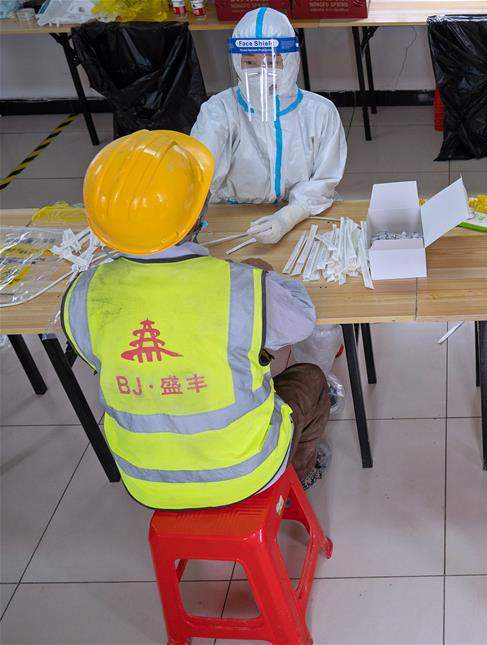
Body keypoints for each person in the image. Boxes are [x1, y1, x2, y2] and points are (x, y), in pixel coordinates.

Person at [61, 130, 332, 510]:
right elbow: (302, 321)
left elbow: (97, 358)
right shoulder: (238, 286)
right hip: (246, 470)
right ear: (197, 213)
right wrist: (260, 277)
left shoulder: (84, 293)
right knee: (311, 381)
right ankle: (295, 481)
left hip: (144, 481)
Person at [190, 7, 346, 245]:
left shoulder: (320, 112)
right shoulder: (218, 111)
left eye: (272, 62)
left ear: (291, 60)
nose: (261, 72)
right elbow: (198, 173)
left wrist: (288, 217)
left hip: (303, 215)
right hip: (235, 218)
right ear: (236, 62)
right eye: (250, 62)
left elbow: (324, 180)